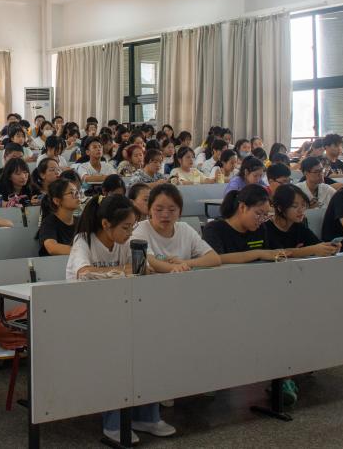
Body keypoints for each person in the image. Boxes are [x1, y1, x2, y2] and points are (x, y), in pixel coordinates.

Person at [65, 193, 176, 442]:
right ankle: (114, 424)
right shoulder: (84, 240)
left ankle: (147, 416)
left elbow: (143, 269)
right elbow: (84, 273)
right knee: (115, 354)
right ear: (106, 224)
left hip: (121, 313)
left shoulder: (126, 242)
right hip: (85, 319)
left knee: (151, 349)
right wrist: (124, 270)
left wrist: (131, 270)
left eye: (132, 227)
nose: (130, 233)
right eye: (126, 227)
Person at [133, 184, 221, 272]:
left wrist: (184, 263)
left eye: (172, 210)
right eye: (159, 210)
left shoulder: (185, 229)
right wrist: (173, 268)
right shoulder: (140, 229)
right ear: (149, 210)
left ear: (180, 212)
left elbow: (214, 258)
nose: (165, 215)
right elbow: (147, 260)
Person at [202, 185, 288, 263]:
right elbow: (215, 259)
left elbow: (275, 253)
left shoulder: (261, 228)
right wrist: (258, 253)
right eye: (258, 213)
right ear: (242, 207)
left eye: (265, 215)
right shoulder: (214, 229)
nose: (261, 220)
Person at [264, 184, 341, 257]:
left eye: (303, 205)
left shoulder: (299, 225)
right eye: (295, 206)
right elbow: (277, 253)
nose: (301, 210)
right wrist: (305, 251)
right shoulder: (266, 228)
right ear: (280, 208)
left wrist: (329, 247)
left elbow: (317, 245)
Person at [36, 179, 80, 255]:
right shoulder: (49, 222)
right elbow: (52, 248)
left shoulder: (80, 221)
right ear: (57, 201)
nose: (78, 196)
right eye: (72, 192)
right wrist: (82, 252)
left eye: (77, 192)